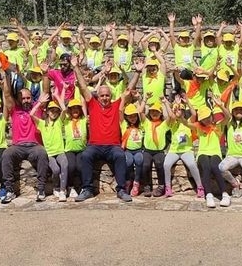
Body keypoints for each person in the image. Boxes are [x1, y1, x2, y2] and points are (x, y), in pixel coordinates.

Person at [71, 56, 139, 202]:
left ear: (111, 96)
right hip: (95, 145)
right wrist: (76, 67)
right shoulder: (93, 104)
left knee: (120, 156)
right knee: (86, 156)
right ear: (98, 96)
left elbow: (128, 90)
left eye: (107, 95)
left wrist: (138, 73)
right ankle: (87, 189)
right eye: (102, 95)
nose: (104, 98)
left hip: (113, 146)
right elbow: (83, 87)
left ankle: (121, 189)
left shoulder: (116, 106)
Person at [0, 68, 50, 204]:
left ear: (31, 98)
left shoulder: (37, 107)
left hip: (34, 145)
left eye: (28, 98)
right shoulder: (15, 109)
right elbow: (7, 93)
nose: (26, 100)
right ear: (19, 99)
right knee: (7, 154)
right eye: (23, 98)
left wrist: (45, 74)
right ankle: (9, 190)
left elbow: (45, 92)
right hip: (18, 146)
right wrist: (7, 75)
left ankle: (41, 189)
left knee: (42, 153)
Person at [164, 98, 204, 198]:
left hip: (187, 150)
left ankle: (200, 187)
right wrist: (169, 105)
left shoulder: (188, 121)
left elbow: (194, 114)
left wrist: (188, 103)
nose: (179, 112)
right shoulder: (173, 123)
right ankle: (168, 187)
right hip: (174, 151)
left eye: (181, 110)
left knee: (192, 164)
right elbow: (171, 116)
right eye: (177, 110)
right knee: (166, 164)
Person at [32, 94, 68, 202]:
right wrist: (39, 103)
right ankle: (56, 187)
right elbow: (31, 114)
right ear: (47, 112)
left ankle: (62, 191)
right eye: (51, 111)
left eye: (56, 111)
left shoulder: (58, 122)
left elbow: (65, 110)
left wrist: (57, 96)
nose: (54, 113)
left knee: (65, 165)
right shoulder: (42, 124)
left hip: (60, 151)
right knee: (56, 170)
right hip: (50, 153)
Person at [219, 99, 242, 199]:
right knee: (221, 168)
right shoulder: (229, 123)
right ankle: (235, 184)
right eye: (236, 109)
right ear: (232, 112)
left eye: (241, 109)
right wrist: (221, 106)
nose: (239, 111)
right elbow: (226, 114)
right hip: (232, 155)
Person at [140, 100, 173, 197]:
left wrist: (166, 103)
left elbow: (171, 117)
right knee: (145, 165)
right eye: (152, 111)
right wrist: (145, 99)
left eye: (157, 111)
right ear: (149, 113)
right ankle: (146, 186)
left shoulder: (164, 124)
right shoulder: (147, 123)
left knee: (160, 164)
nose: (154, 113)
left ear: (161, 113)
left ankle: (161, 186)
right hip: (147, 151)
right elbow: (140, 112)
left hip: (159, 151)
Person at [120, 98, 144, 197]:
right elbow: (120, 111)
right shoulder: (124, 125)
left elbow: (142, 111)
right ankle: (128, 180)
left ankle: (136, 182)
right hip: (128, 150)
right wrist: (124, 98)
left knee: (139, 160)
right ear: (126, 117)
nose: (132, 118)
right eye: (130, 117)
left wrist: (140, 99)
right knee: (128, 162)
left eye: (134, 116)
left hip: (138, 150)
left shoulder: (141, 125)